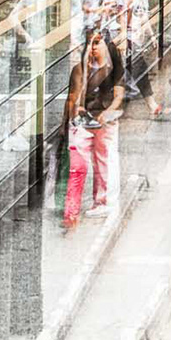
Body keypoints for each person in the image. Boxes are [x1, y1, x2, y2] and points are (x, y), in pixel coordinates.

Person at [62, 30, 125, 232]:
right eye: (91, 43)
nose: (94, 47)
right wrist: (68, 121)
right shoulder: (79, 70)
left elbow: (119, 95)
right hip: (81, 124)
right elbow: (72, 98)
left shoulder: (112, 68)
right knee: (78, 169)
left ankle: (101, 202)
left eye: (97, 43)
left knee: (102, 163)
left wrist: (109, 112)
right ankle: (71, 213)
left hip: (102, 124)